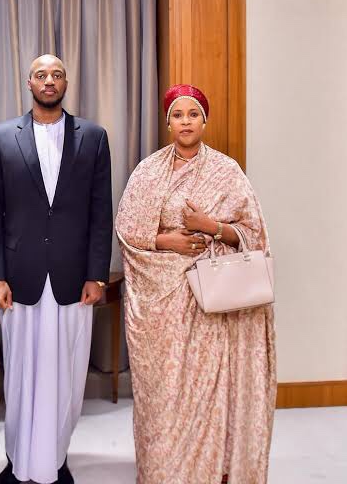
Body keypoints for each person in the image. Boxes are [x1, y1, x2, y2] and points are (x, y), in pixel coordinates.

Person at [115, 85, 276, 484]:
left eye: (193, 115)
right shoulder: (148, 171)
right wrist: (166, 241)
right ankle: (164, 472)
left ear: (205, 121)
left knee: (209, 392)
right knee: (166, 392)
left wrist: (212, 227)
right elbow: (128, 230)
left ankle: (212, 471)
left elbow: (255, 235)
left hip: (213, 307)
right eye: (177, 115)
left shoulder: (227, 171)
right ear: (167, 122)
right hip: (163, 309)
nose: (185, 122)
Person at [0, 55, 113, 484]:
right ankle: (18, 461)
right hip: (19, 280)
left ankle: (55, 459)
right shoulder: (2, 136)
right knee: (21, 375)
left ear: (66, 83)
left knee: (67, 377)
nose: (49, 81)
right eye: (41, 75)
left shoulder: (93, 137)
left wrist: (96, 274)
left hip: (74, 280)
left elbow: (101, 213)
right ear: (29, 83)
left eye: (56, 75)